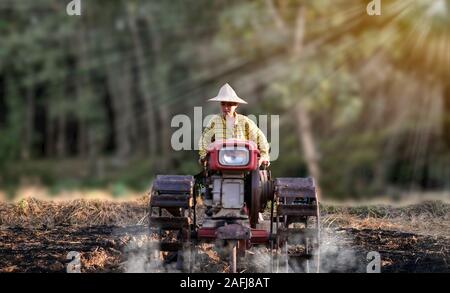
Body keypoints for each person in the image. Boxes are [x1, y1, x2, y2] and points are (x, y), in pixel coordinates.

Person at [198, 83, 271, 166]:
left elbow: (260, 138)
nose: (226, 108)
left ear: (236, 105)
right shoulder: (214, 121)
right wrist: (204, 156)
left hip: (243, 161)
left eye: (229, 104)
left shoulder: (245, 121)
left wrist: (264, 156)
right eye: (223, 104)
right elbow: (204, 139)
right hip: (219, 162)